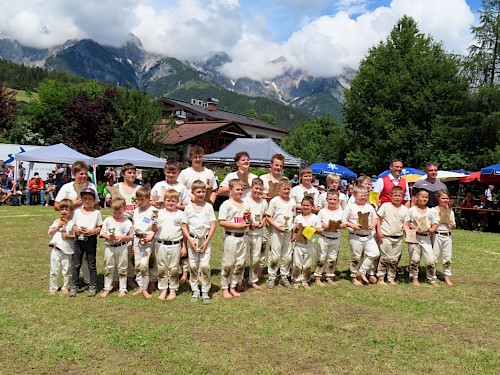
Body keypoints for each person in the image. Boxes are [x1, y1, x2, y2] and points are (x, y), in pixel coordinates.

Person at [151, 160, 191, 285]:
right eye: (168, 172)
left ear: (178, 173)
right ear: (164, 172)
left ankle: (181, 276)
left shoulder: (181, 187)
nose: (171, 175)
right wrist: (156, 203)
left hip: (176, 220)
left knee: (177, 251)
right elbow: (150, 201)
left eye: (173, 172)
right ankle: (156, 279)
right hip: (161, 221)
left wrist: (176, 206)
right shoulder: (158, 185)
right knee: (159, 254)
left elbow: (187, 206)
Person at [105, 163, 142, 290]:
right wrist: (109, 199)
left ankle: (130, 279)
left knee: (131, 252)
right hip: (119, 222)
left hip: (134, 222)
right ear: (123, 174)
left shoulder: (139, 188)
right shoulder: (117, 187)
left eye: (133, 172)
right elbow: (108, 200)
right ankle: (116, 280)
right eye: (129, 172)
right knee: (118, 252)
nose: (132, 175)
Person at [181, 180, 217, 303]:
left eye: (203, 191)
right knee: (194, 265)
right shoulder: (188, 208)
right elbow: (184, 225)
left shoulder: (208, 207)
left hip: (205, 240)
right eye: (198, 192)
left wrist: (206, 241)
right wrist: (190, 240)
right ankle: (195, 289)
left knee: (205, 266)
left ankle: (205, 290)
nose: (201, 194)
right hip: (193, 240)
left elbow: (213, 225)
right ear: (193, 193)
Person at [153, 189, 187, 301]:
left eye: (173, 201)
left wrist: (184, 246)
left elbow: (184, 232)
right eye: (168, 200)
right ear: (164, 201)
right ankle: (163, 289)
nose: (170, 203)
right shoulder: (159, 213)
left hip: (175, 244)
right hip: (161, 244)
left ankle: (173, 290)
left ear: (177, 201)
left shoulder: (181, 214)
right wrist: (153, 222)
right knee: (162, 268)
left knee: (173, 268)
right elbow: (154, 229)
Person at [342, 185, 379, 285]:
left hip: (368, 235)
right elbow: (344, 220)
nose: (363, 197)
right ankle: (353, 276)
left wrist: (372, 225)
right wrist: (352, 225)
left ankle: (361, 271)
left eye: (365, 195)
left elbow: (376, 219)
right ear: (354, 195)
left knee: (375, 253)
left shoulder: (369, 207)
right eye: (361, 195)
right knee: (356, 257)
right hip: (355, 236)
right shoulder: (350, 207)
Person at [218, 179, 249, 298]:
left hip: (244, 237)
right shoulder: (226, 204)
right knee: (228, 263)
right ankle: (225, 287)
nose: (240, 192)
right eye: (237, 189)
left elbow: (248, 219)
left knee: (240, 263)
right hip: (231, 236)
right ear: (230, 190)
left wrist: (248, 220)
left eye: (241, 189)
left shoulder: (246, 203)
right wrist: (237, 226)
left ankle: (233, 286)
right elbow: (222, 222)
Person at [70, 188, 103, 297]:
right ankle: (74, 285)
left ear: (94, 200)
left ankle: (92, 285)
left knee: (91, 264)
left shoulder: (96, 212)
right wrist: (76, 229)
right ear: (81, 199)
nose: (87, 201)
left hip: (90, 239)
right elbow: (74, 225)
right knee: (76, 264)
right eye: (85, 198)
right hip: (78, 239)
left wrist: (91, 231)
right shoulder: (77, 212)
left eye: (90, 199)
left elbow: (99, 227)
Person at [404, 190, 439, 286]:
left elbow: (435, 223)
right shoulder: (411, 210)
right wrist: (415, 228)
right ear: (417, 198)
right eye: (422, 197)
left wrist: (432, 230)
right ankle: (414, 278)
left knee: (430, 260)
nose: (424, 199)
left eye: (426, 197)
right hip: (415, 237)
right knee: (414, 259)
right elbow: (406, 223)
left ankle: (431, 279)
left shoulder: (430, 211)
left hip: (426, 238)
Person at [100, 198, 134, 298]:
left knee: (122, 267)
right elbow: (102, 233)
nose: (117, 214)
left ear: (124, 209)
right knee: (109, 267)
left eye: (119, 212)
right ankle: (107, 287)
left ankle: (123, 288)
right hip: (110, 247)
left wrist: (124, 238)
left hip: (122, 247)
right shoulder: (108, 220)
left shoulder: (127, 222)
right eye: (115, 212)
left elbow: (132, 236)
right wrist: (109, 237)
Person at [375, 186, 409, 286]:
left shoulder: (405, 209)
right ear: (391, 196)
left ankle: (391, 277)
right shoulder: (385, 206)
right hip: (386, 236)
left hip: (398, 237)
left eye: (399, 196)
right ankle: (380, 277)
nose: (397, 198)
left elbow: (405, 223)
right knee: (385, 258)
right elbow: (379, 219)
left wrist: (406, 230)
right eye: (395, 195)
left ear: (403, 197)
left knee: (394, 259)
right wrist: (379, 232)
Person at [265, 178, 295, 289]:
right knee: (275, 256)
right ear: (278, 190)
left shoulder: (292, 201)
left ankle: (284, 276)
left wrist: (292, 231)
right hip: (277, 232)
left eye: (288, 189)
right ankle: (271, 277)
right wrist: (277, 227)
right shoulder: (275, 201)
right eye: (284, 189)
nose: (286, 191)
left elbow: (293, 217)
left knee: (287, 256)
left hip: (288, 231)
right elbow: (268, 217)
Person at [131, 187, 157, 299]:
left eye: (142, 199)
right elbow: (134, 227)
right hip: (137, 239)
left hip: (147, 239)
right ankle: (140, 286)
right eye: (138, 199)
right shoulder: (136, 210)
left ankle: (145, 288)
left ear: (148, 198)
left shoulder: (153, 211)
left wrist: (150, 238)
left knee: (144, 264)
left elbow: (156, 228)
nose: (140, 202)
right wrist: (133, 242)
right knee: (137, 264)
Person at [314, 190, 344, 286]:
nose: (332, 201)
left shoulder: (341, 211)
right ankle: (318, 277)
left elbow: (345, 223)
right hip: (324, 237)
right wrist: (323, 225)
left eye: (334, 199)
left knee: (332, 258)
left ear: (338, 200)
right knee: (321, 257)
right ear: (326, 199)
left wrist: (340, 226)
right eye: (330, 199)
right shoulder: (322, 211)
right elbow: (318, 223)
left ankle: (329, 276)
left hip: (336, 238)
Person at [291, 196, 322, 289]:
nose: (305, 207)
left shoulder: (315, 218)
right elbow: (293, 230)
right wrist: (295, 228)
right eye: (303, 205)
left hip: (309, 244)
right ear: (301, 206)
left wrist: (312, 229)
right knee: (297, 263)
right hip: (299, 244)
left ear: (312, 206)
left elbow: (320, 231)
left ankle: (305, 280)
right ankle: (296, 280)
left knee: (307, 263)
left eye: (307, 205)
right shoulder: (298, 217)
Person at [243, 177, 268, 290]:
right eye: (256, 188)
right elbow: (244, 216)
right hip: (247, 233)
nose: (258, 191)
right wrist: (251, 224)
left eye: (260, 189)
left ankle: (252, 280)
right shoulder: (245, 201)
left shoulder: (264, 202)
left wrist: (262, 222)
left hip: (258, 233)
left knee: (256, 257)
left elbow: (265, 215)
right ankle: (238, 280)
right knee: (242, 258)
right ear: (251, 188)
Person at [48, 199, 76, 295]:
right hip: (56, 249)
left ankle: (66, 287)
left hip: (68, 250)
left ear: (71, 210)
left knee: (67, 270)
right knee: (54, 270)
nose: (64, 211)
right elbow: (50, 232)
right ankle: (53, 288)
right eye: (62, 209)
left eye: (66, 209)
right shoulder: (57, 221)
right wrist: (57, 227)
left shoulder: (73, 223)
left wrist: (69, 236)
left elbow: (77, 235)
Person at [433, 190, 456, 286]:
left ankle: (447, 276)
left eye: (447, 198)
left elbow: (454, 226)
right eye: (443, 198)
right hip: (436, 235)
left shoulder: (450, 212)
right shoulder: (433, 210)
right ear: (438, 199)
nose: (445, 200)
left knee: (447, 257)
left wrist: (452, 224)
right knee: (434, 257)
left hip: (447, 236)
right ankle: (432, 276)